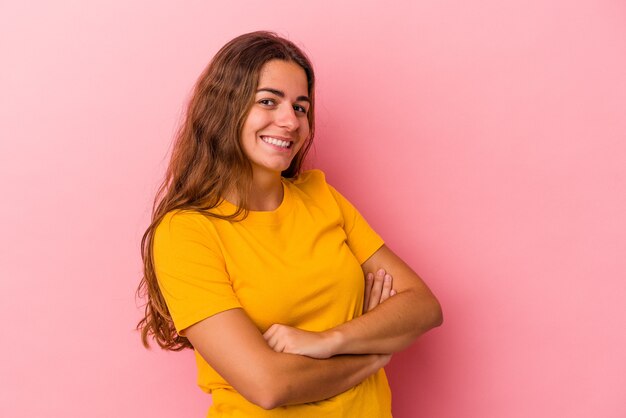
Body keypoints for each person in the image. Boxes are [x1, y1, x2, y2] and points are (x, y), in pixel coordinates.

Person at [136, 31, 443, 417]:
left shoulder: (321, 197)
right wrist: (374, 353)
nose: (290, 121)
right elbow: (268, 385)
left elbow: (423, 306)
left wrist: (329, 340)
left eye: (301, 107)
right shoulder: (187, 232)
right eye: (268, 101)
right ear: (225, 109)